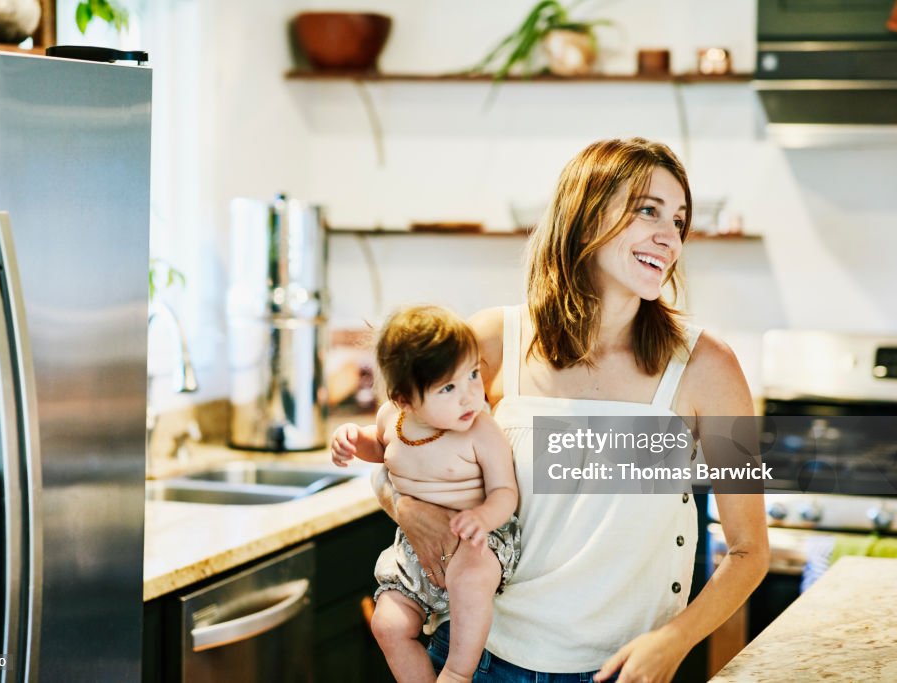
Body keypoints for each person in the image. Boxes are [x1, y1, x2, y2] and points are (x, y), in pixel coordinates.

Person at [372, 138, 770, 683]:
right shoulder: (494, 341)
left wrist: (673, 643)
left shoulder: (708, 367)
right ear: (584, 219)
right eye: (647, 210)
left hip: (618, 670)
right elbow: (391, 445)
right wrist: (405, 506)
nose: (669, 237)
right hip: (478, 660)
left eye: (678, 221)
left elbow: (750, 552)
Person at [330, 305, 520, 683]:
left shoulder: (482, 432)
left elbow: (505, 493)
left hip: (482, 541)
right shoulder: (392, 419)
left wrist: (481, 518)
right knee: (387, 622)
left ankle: (457, 673)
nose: (470, 396)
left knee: (469, 579)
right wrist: (352, 438)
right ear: (404, 400)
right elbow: (378, 447)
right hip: (416, 548)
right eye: (448, 387)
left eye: (473, 375)